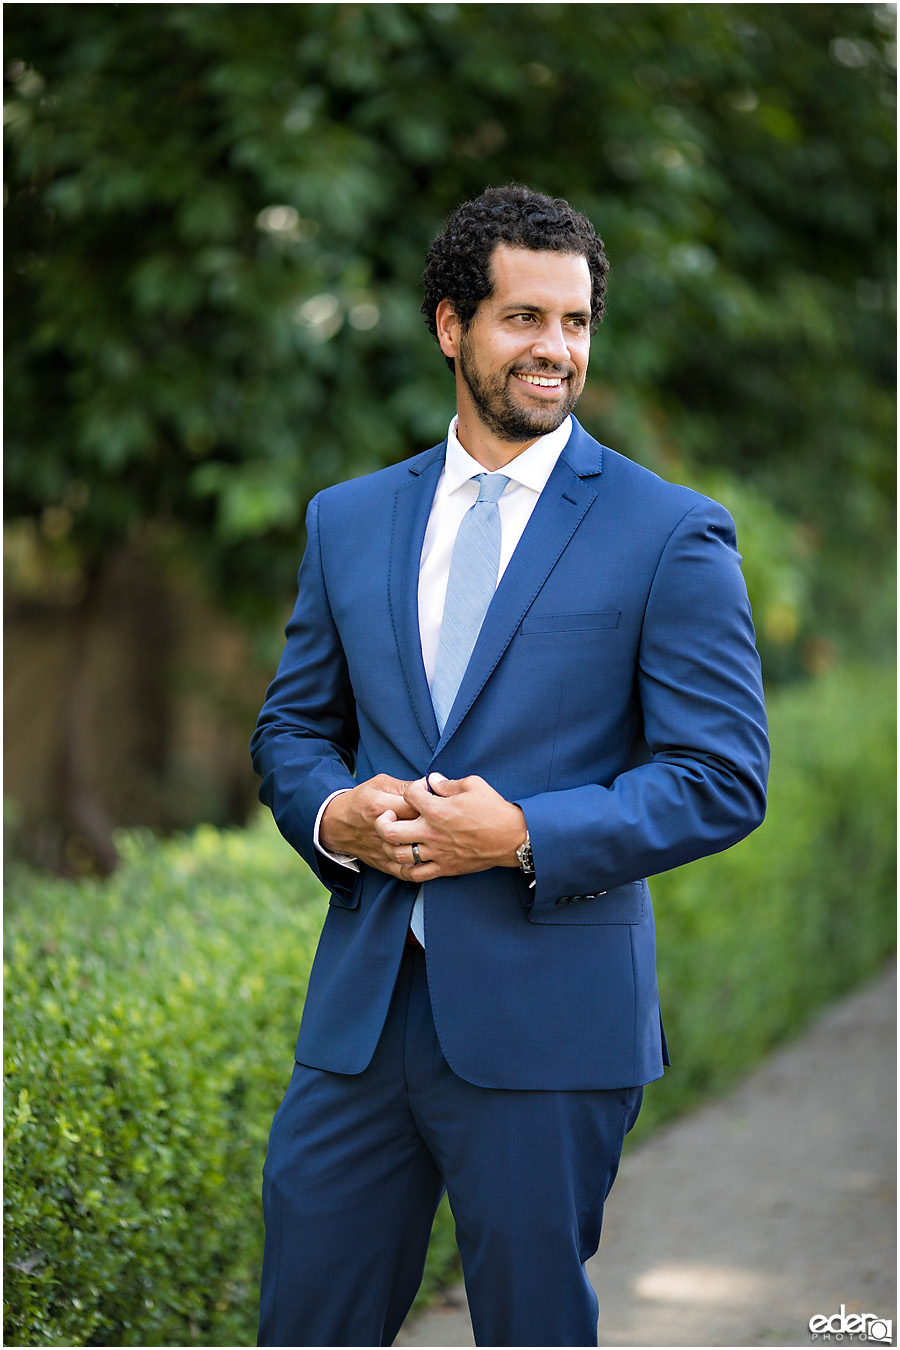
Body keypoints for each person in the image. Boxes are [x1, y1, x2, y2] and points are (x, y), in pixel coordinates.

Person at [251, 184, 769, 1348]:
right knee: (303, 1326)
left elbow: (724, 774)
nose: (557, 350)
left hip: (551, 1026)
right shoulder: (349, 520)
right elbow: (290, 730)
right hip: (362, 1021)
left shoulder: (669, 531)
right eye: (524, 319)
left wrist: (525, 832)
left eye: (577, 322)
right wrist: (337, 812)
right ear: (451, 326)